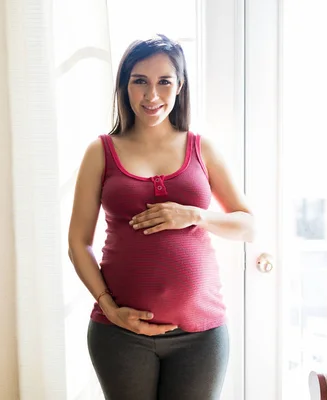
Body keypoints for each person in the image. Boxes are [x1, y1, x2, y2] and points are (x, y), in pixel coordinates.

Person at [68, 34, 255, 400]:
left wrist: (194, 215)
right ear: (125, 85)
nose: (152, 95)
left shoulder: (202, 148)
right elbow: (78, 243)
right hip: (120, 333)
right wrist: (110, 307)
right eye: (140, 81)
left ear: (179, 86)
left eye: (164, 82)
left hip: (201, 336)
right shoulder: (101, 152)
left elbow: (248, 225)